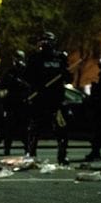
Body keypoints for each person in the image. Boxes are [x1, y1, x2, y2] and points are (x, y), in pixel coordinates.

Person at [24, 31, 71, 165]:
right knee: (34, 127)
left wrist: (65, 74)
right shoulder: (35, 58)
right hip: (40, 98)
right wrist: (38, 86)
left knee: (61, 128)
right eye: (43, 41)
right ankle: (31, 153)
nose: (45, 44)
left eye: (47, 41)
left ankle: (62, 155)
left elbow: (67, 78)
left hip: (56, 100)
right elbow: (28, 76)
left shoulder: (60, 58)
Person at [0, 50, 30, 155]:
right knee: (9, 128)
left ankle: (28, 148)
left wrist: (22, 83)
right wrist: (11, 80)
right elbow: (3, 84)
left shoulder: (26, 71)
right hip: (12, 103)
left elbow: (31, 86)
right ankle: (7, 149)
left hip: (23, 102)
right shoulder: (10, 72)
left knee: (24, 128)